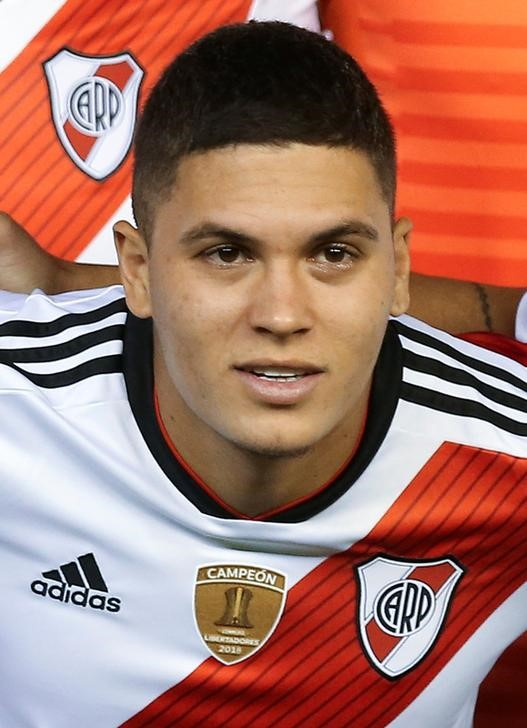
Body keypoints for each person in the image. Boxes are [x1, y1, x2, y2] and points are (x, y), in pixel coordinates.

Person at [0, 21, 526, 728]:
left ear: (396, 269)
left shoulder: (504, 452)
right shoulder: (18, 403)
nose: (281, 316)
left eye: (334, 254)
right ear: (137, 268)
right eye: (225, 253)